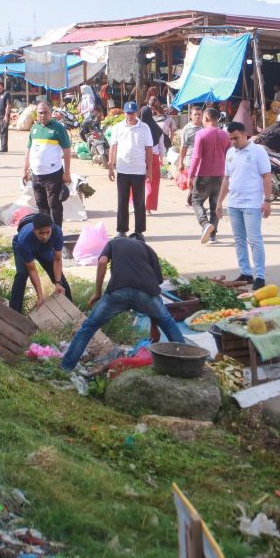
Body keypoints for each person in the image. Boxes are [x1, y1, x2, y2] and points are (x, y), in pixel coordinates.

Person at [59, 234, 186, 372]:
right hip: (145, 294)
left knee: (89, 327)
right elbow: (155, 287)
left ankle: (66, 368)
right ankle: (187, 362)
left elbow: (102, 262)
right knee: (168, 323)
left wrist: (97, 292)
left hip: (118, 291)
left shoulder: (115, 242)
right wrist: (154, 326)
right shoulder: (148, 249)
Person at [217, 121, 272, 290]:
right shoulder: (230, 153)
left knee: (254, 240)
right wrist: (220, 202)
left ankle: (260, 276)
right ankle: (246, 272)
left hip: (252, 203)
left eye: (236, 138)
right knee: (239, 240)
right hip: (234, 203)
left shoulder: (258, 152)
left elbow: (266, 177)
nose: (233, 141)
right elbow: (226, 179)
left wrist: (267, 200)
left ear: (245, 134)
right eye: (230, 138)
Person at [8, 213, 72, 313]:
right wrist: (40, 295)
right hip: (25, 245)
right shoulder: (24, 240)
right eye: (41, 233)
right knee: (22, 274)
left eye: (47, 232)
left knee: (58, 276)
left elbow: (57, 259)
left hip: (43, 249)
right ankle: (14, 314)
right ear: (34, 230)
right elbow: (32, 270)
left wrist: (58, 282)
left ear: (51, 228)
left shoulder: (57, 232)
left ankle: (71, 308)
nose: (45, 236)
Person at [107, 101, 153, 238]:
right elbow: (113, 147)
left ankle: (139, 231)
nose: (130, 115)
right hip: (123, 170)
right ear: (124, 113)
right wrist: (110, 166)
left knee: (139, 202)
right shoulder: (118, 127)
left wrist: (149, 169)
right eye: (128, 112)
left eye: (132, 113)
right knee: (122, 201)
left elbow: (149, 149)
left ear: (137, 113)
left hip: (139, 171)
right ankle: (122, 229)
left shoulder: (144, 128)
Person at [24, 100, 72, 226]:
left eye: (46, 112)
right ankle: (45, 235)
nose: (43, 115)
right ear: (36, 113)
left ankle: (57, 234)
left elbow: (67, 150)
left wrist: (67, 172)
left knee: (54, 205)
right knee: (41, 206)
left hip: (53, 175)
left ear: (51, 113)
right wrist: (25, 170)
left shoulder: (58, 128)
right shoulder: (34, 129)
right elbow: (28, 150)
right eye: (40, 113)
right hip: (36, 175)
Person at [188, 107, 231, 244]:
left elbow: (196, 157)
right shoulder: (225, 135)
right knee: (215, 204)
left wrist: (190, 175)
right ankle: (212, 236)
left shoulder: (201, 134)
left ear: (206, 118)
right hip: (220, 175)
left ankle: (205, 224)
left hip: (203, 174)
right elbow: (229, 155)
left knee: (195, 200)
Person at [140, 106, 165, 213]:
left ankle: (138, 205)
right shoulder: (158, 129)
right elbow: (161, 146)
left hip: (140, 157)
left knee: (138, 182)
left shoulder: (139, 128)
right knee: (152, 182)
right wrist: (162, 158)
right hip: (154, 157)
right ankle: (148, 208)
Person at [176, 105, 203, 180]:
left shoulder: (205, 127)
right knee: (193, 186)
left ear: (202, 115)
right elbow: (183, 147)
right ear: (191, 116)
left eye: (199, 114)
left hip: (203, 162)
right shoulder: (186, 129)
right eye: (195, 114)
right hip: (191, 162)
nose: (197, 116)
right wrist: (180, 162)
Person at [0, 81, 12, 152]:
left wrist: (6, 116)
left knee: (4, 132)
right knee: (0, 132)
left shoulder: (6, 94)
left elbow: (8, 105)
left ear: (1, 86)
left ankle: (4, 148)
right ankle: (3, 147)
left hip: (4, 116)